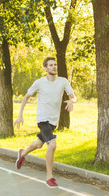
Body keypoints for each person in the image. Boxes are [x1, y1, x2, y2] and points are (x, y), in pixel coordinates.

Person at [14, 56, 76, 188]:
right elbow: (26, 97)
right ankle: (49, 177)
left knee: (38, 144)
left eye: (55, 64)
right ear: (45, 68)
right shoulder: (39, 83)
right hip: (42, 119)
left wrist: (72, 100)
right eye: (51, 65)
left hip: (54, 121)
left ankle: (22, 154)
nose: (54, 67)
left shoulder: (63, 81)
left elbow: (73, 96)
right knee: (52, 145)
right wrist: (20, 116)